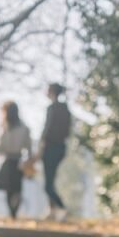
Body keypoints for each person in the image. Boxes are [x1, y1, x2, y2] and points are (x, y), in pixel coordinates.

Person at [0, 101, 33, 219]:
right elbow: (28, 147)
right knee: (17, 189)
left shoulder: (5, 127)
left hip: (9, 160)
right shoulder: (24, 128)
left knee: (9, 190)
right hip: (19, 161)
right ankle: (13, 212)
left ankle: (12, 212)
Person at [38, 82, 71, 220]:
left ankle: (61, 208)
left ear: (52, 92)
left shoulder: (52, 108)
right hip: (61, 148)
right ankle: (51, 211)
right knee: (50, 180)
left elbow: (47, 129)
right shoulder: (65, 109)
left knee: (48, 185)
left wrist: (41, 146)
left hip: (51, 148)